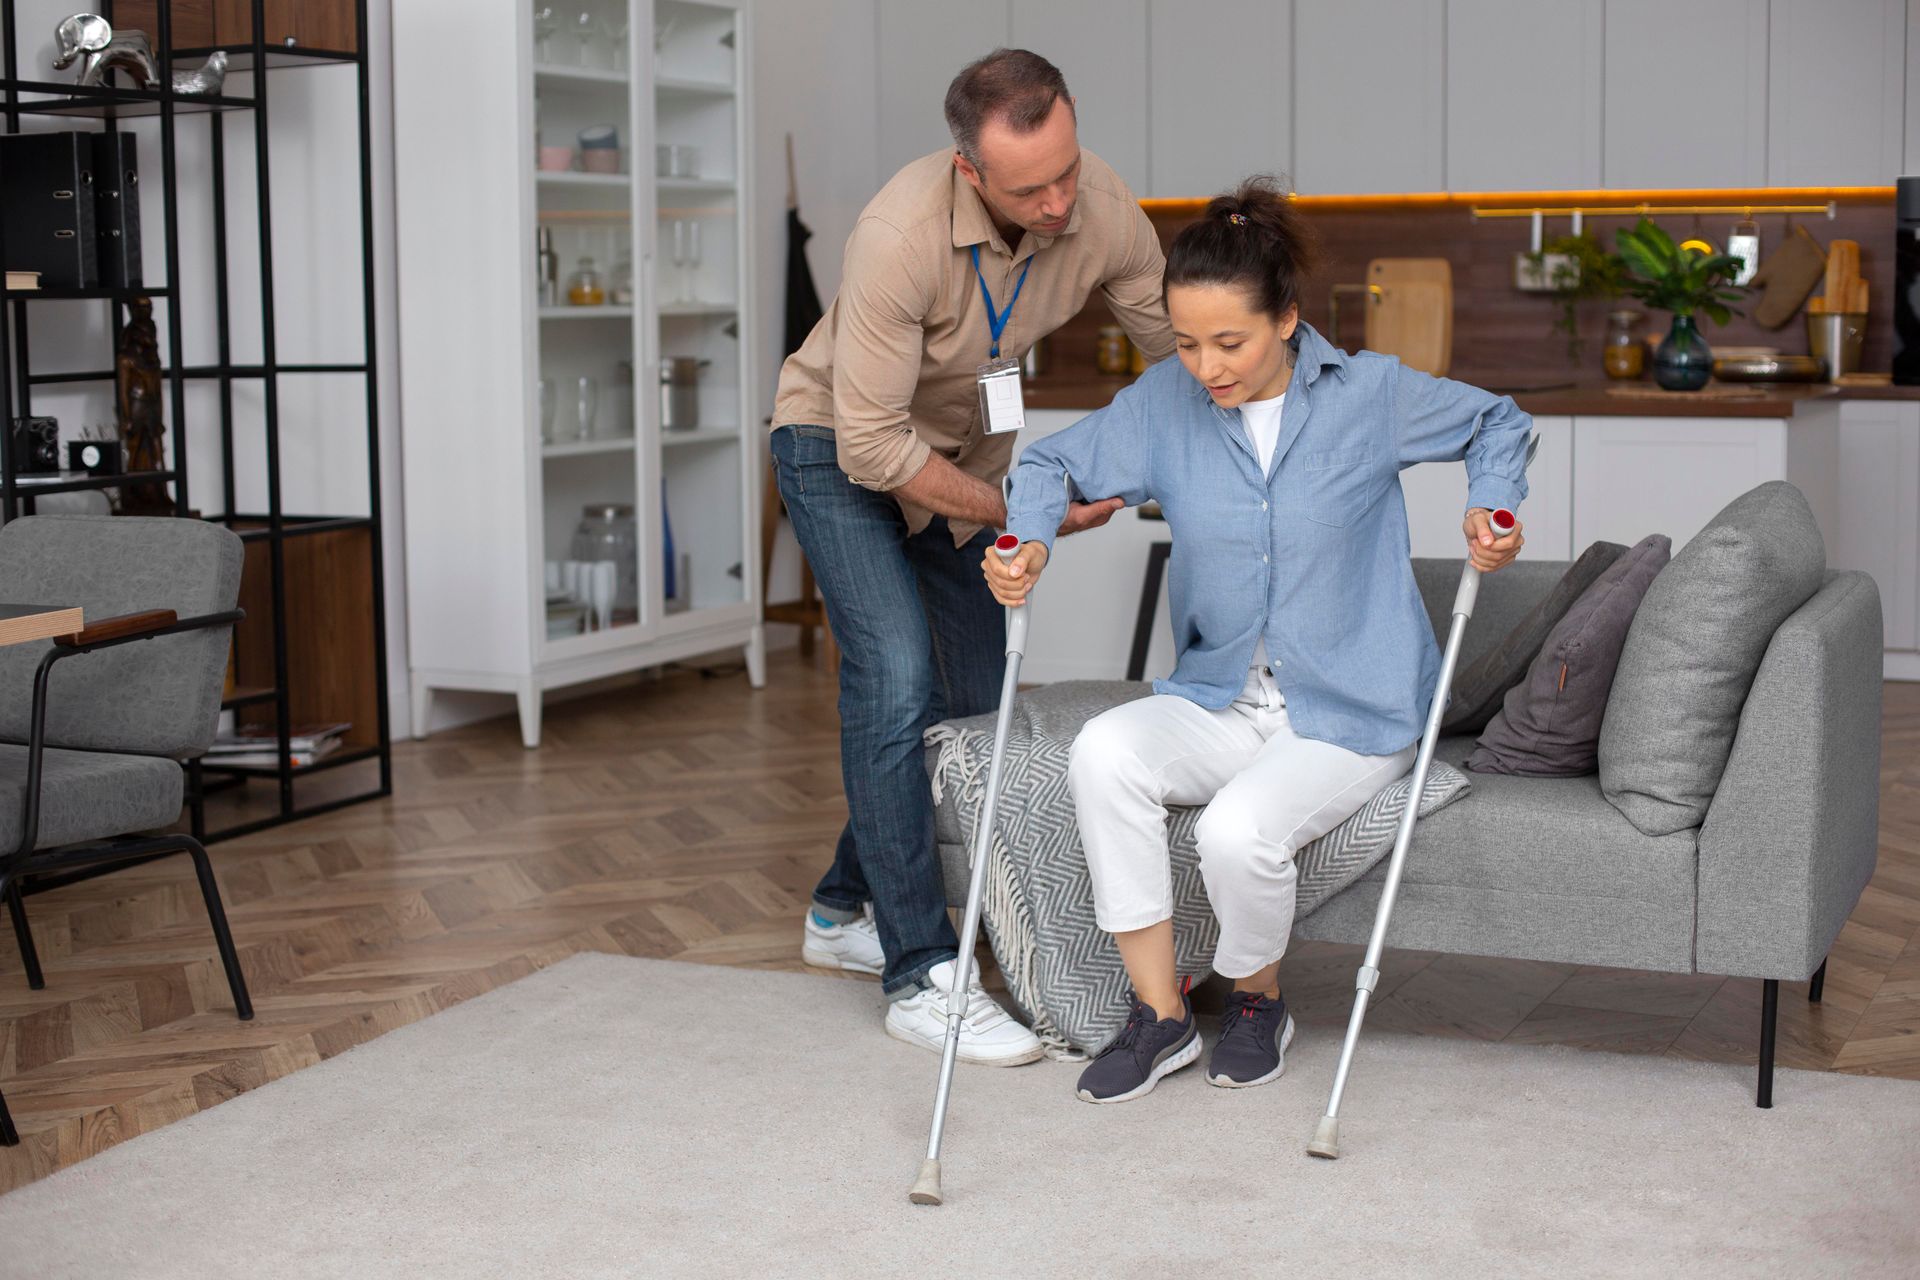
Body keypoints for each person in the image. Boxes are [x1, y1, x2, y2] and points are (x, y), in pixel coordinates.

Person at [986, 177, 1530, 1102]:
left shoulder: (1371, 395)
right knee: (1103, 753)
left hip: (1351, 708)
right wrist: (1030, 537)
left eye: (1229, 341)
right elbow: (1049, 460)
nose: (1208, 366)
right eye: (1189, 342)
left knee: (1238, 833)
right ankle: (1159, 1015)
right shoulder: (1166, 404)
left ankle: (1255, 1001)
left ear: (1286, 318)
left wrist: (1493, 507)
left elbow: (1496, 419)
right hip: (1222, 697)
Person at [771, 48, 1174, 1065]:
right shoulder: (897, 238)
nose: (1056, 201)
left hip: (960, 457)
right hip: (837, 447)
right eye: (1028, 187)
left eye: (1066, 172)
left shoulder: (1103, 208)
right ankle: (919, 968)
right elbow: (870, 444)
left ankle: (838, 909)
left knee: (968, 701)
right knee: (894, 675)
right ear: (967, 168)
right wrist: (1020, 506)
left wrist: (1273, 401)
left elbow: (1183, 346)